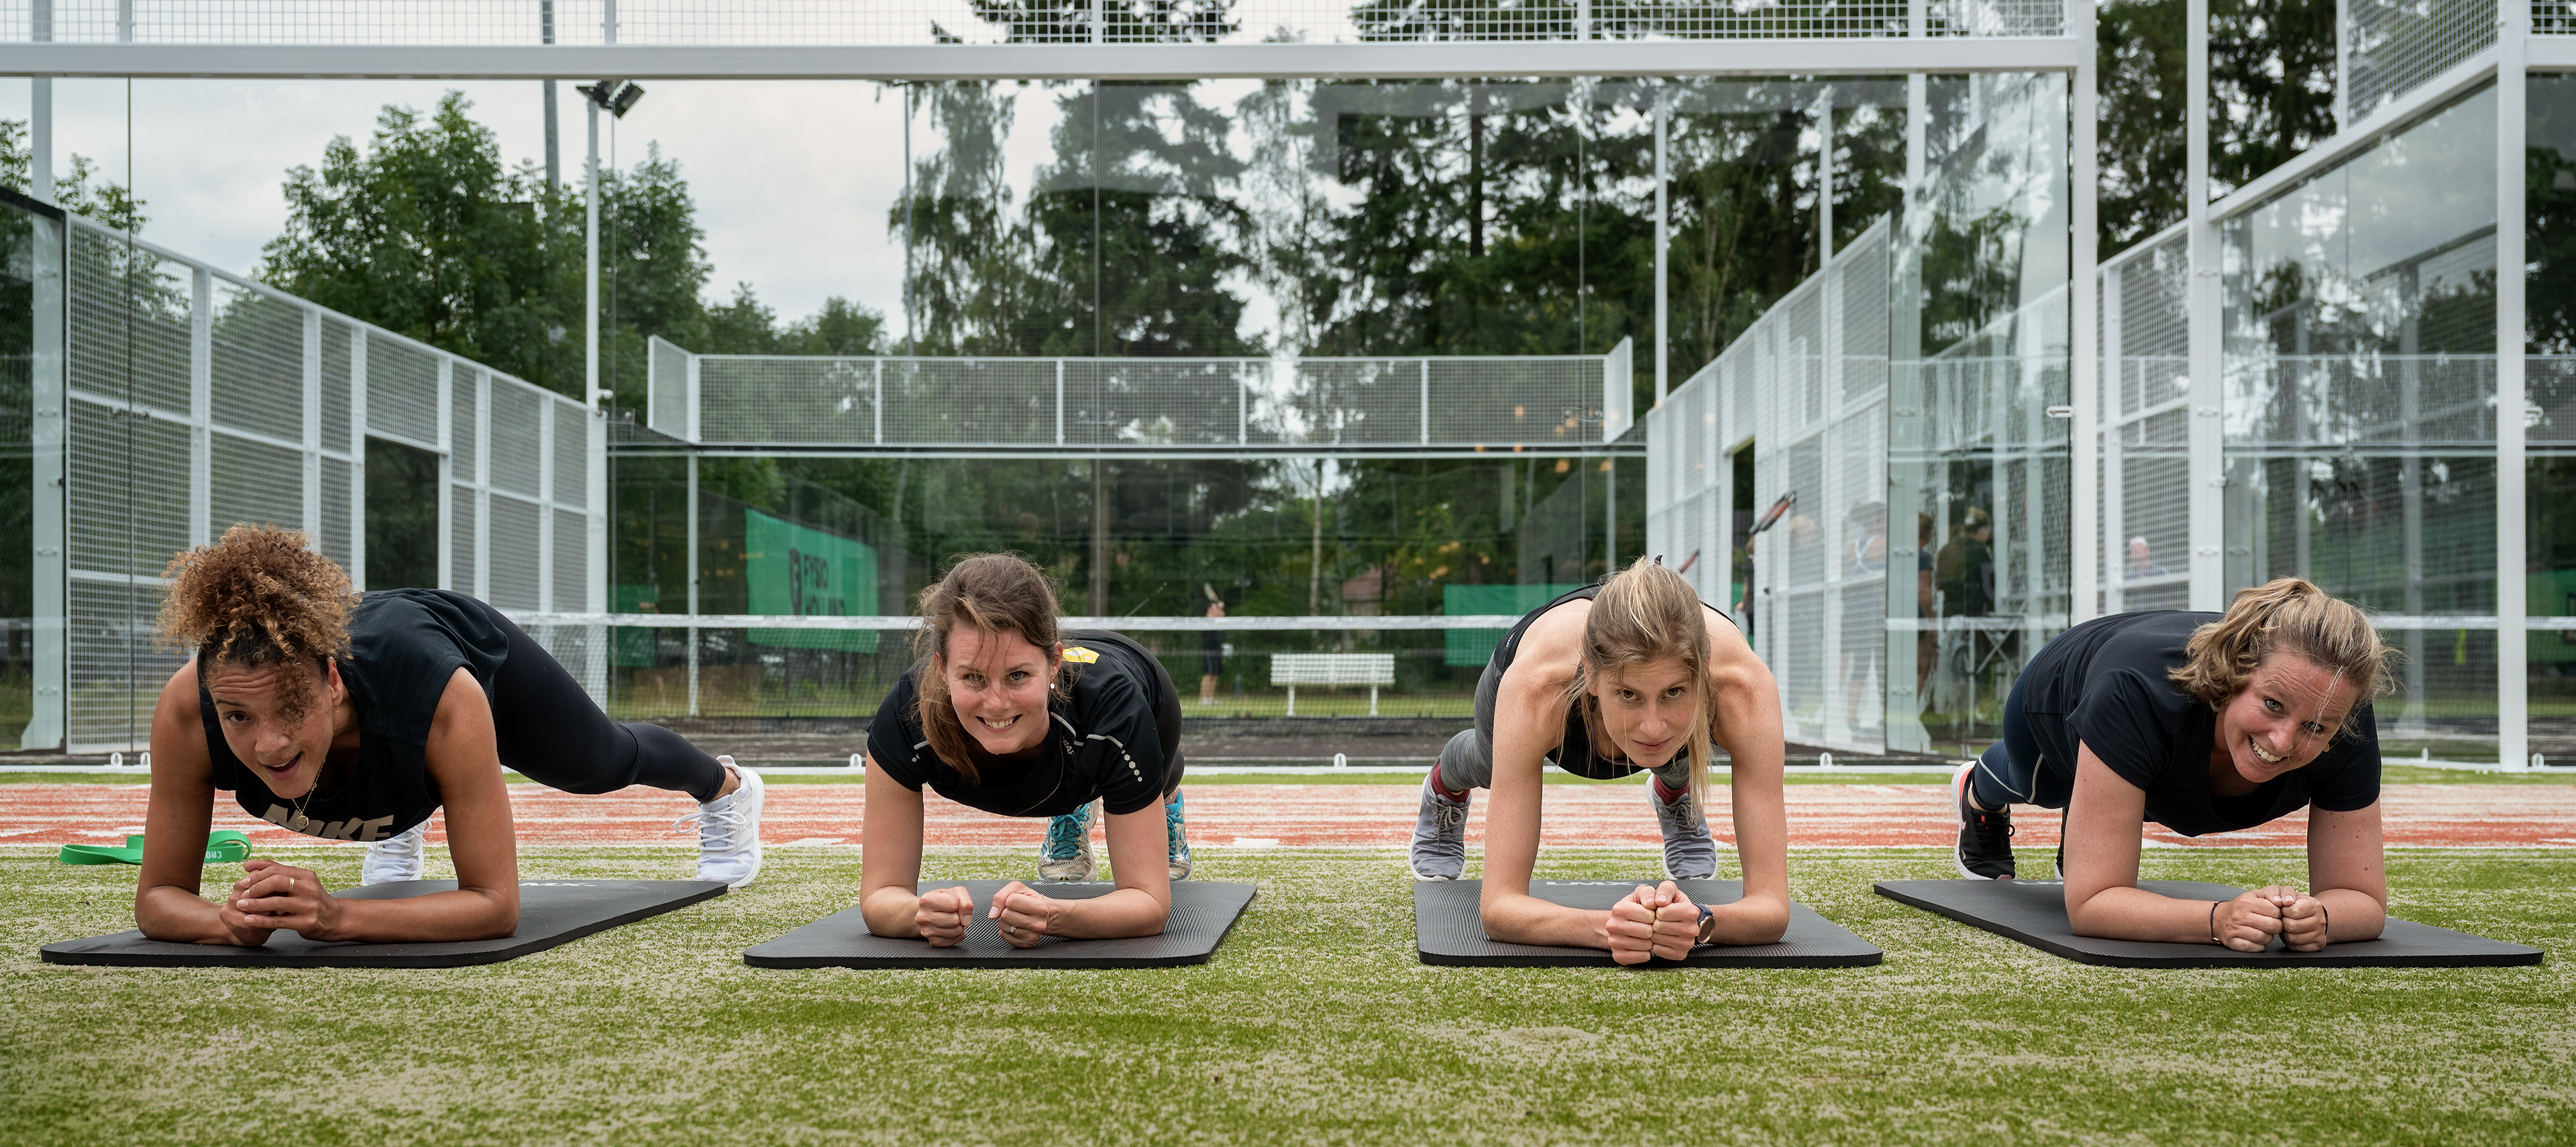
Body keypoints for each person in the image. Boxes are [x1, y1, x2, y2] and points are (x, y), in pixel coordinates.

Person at [136, 525, 763, 947]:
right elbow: (159, 897)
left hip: (458, 653)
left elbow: (494, 905)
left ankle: (725, 787)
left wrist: (339, 915)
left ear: (330, 681)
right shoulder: (189, 713)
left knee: (597, 763)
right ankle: (402, 826)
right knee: (346, 757)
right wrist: (224, 922)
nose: (267, 745)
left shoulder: (438, 701)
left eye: (289, 710)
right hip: (381, 720)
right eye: (239, 718)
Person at [1954, 578, 2394, 952]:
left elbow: (2363, 901)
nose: (2284, 741)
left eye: (2315, 727)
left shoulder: (2342, 718)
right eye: (2272, 703)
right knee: (2042, 785)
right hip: (2060, 692)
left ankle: (2099, 801)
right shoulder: (2133, 697)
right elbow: (2092, 905)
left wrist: (2320, 918)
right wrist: (2218, 922)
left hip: (2150, 746)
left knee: (2129, 785)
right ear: (2235, 673)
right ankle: (1978, 789)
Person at [1411, 557, 1791, 964]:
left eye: (1675, 692)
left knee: (1677, 744)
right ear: (1591, 675)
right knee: (1487, 761)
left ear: (1705, 675)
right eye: (1628, 694)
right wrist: (1608, 928)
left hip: (1680, 710)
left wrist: (1702, 921)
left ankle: (1674, 790)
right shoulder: (1536, 686)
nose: (1651, 724)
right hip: (1543, 688)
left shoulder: (1743, 687)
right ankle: (1444, 788)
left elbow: (1772, 909)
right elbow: (1500, 908)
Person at [860, 554, 1193, 949]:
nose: (997, 703)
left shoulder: (1115, 711)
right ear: (941, 667)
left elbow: (1150, 903)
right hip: (1072, 733)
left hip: (1140, 686)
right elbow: (881, 895)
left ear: (1054, 663)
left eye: (1017, 675)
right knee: (1080, 764)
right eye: (973, 677)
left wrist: (1056, 915)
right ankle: (1075, 802)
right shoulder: (905, 717)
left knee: (1147, 775)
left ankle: (1161, 799)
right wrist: (920, 915)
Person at [1199, 590, 1226, 706]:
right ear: (1209, 610)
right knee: (1209, 674)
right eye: (1214, 608)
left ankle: (1210, 698)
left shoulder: (1218, 620)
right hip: (1209, 650)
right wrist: (1219, 607)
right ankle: (1203, 698)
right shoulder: (1207, 620)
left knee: (1215, 675)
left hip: (1217, 650)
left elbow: (1222, 615)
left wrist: (1220, 608)